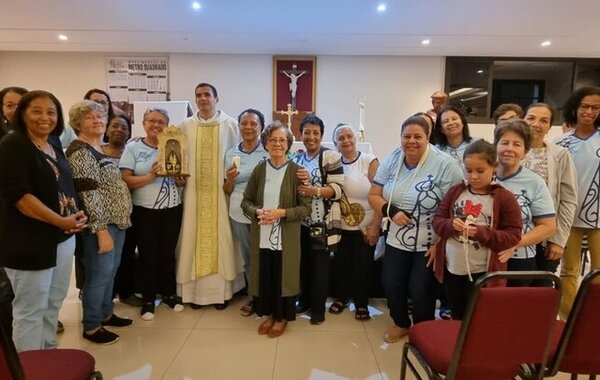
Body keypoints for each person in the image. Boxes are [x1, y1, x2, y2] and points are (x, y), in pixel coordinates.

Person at [0, 90, 87, 352]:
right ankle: (29, 367)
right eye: (36, 111)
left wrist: (75, 214)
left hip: (61, 237)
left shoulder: (53, 143)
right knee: (30, 308)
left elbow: (62, 185)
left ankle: (49, 354)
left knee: (53, 302)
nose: (45, 117)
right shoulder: (13, 145)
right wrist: (60, 221)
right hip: (29, 241)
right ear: (22, 114)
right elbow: (21, 198)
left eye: (51, 111)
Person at [368, 115, 462, 343]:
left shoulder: (445, 164)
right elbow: (374, 194)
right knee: (391, 283)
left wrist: (441, 242)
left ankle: (423, 329)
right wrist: (390, 213)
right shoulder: (392, 159)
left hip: (430, 240)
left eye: (417, 136)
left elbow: (457, 204)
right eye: (406, 136)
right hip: (395, 238)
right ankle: (401, 323)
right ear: (400, 138)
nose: (411, 141)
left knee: (422, 289)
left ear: (427, 137)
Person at [66, 100, 133, 345]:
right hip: (101, 226)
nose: (98, 120)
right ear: (78, 123)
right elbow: (89, 192)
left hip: (117, 223)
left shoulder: (96, 148)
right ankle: (92, 326)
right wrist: (101, 229)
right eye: (90, 117)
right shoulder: (81, 151)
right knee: (98, 275)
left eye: (100, 116)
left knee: (109, 272)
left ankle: (105, 313)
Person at [433, 140, 522, 319]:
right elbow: (437, 222)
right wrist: (451, 225)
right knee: (458, 313)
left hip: (483, 273)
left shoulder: (504, 198)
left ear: (494, 168)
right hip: (453, 268)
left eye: (480, 171)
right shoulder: (455, 192)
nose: (473, 176)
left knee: (480, 317)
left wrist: (481, 233)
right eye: (469, 170)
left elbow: (513, 235)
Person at [176, 82, 243, 310]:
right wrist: (179, 176)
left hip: (221, 194)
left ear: (217, 98)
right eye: (198, 95)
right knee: (193, 239)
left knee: (222, 240)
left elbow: (238, 156)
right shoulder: (185, 126)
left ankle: (222, 294)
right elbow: (177, 159)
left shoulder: (231, 125)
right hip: (194, 194)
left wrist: (232, 180)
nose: (203, 99)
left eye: (207, 95)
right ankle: (195, 295)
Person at [241, 121, 311, 338]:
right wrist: (258, 212)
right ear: (265, 143)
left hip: (286, 237)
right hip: (262, 234)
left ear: (289, 144)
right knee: (267, 274)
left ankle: (282, 318)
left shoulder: (298, 172)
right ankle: (270, 314)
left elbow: (306, 209)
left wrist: (281, 214)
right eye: (273, 140)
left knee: (284, 275)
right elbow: (246, 201)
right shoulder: (260, 169)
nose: (277, 144)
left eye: (282, 140)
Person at [121, 107, 186, 321]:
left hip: (173, 209)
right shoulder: (133, 148)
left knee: (168, 252)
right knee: (148, 253)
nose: (156, 125)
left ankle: (168, 293)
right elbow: (126, 179)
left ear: (166, 125)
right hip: (144, 210)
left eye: (161, 122)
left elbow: (181, 177)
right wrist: (150, 177)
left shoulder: (174, 145)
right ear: (144, 123)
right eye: (152, 121)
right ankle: (149, 298)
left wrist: (180, 178)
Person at [292, 115, 344, 325]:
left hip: (322, 223)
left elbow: (338, 190)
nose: (311, 137)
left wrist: (315, 190)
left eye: (315, 132)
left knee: (320, 268)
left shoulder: (330, 156)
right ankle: (303, 300)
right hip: (302, 223)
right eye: (307, 132)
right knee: (303, 265)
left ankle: (317, 309)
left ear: (321, 135)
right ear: (301, 134)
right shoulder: (297, 157)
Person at [554, 86, 600, 320]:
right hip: (568, 217)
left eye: (595, 107)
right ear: (575, 107)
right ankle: (569, 320)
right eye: (584, 106)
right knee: (568, 271)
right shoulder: (561, 143)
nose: (589, 111)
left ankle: (593, 318)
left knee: (598, 272)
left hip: (599, 218)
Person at [493, 119, 557, 287]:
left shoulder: (534, 182)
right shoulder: (482, 175)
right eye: (505, 142)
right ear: (496, 146)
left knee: (514, 308)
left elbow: (548, 226)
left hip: (520, 258)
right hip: (482, 256)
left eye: (517, 145)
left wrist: (514, 242)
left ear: (526, 151)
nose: (509, 149)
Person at [522, 103, 578, 287]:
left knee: (541, 290)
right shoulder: (509, 151)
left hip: (546, 237)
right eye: (531, 118)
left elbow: (568, 200)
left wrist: (559, 240)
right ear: (523, 120)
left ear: (549, 126)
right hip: (516, 237)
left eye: (543, 120)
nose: (536, 124)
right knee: (514, 291)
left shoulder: (560, 155)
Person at [329, 123, 380, 321]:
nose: (346, 140)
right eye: (341, 138)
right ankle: (341, 297)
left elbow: (379, 193)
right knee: (341, 264)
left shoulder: (369, 161)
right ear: (335, 143)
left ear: (355, 138)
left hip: (365, 226)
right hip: (340, 225)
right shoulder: (333, 163)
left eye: (349, 136)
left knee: (363, 265)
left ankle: (361, 302)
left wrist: (375, 224)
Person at [223, 109, 268, 317]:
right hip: (239, 211)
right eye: (244, 123)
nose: (248, 127)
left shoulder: (267, 152)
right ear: (239, 126)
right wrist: (231, 179)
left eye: (253, 123)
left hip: (265, 213)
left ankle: (269, 296)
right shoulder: (232, 153)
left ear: (260, 127)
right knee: (249, 257)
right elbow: (227, 189)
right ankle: (254, 297)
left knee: (266, 256)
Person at [100, 114, 141, 307]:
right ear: (107, 129)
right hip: (103, 214)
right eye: (115, 126)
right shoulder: (97, 151)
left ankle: (125, 291)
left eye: (124, 127)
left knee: (125, 254)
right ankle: (103, 296)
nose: (119, 130)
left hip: (130, 211)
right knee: (103, 259)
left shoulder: (132, 152)